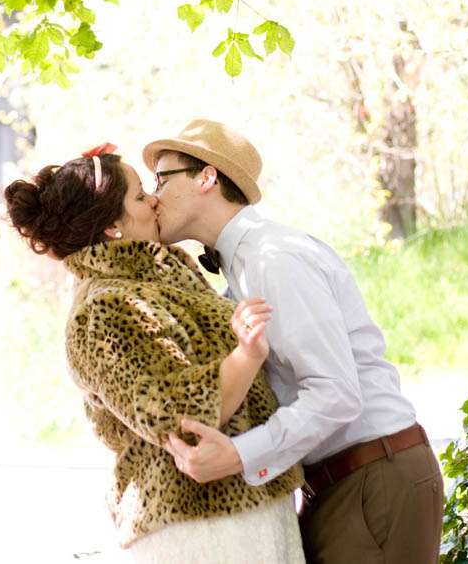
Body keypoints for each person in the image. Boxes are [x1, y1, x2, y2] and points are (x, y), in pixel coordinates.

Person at [142, 119, 444, 564]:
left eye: (161, 180)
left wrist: (238, 456)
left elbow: (336, 393)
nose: (153, 196)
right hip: (340, 482)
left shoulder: (273, 258)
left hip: (372, 478)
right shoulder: (242, 266)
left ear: (206, 177)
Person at [4, 144, 305, 563]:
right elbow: (183, 417)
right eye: (140, 196)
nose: (154, 201)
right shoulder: (106, 309)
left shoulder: (158, 280)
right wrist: (247, 354)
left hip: (242, 514)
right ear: (112, 226)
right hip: (200, 526)